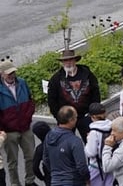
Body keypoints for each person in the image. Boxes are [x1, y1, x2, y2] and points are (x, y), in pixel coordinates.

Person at [47, 49, 101, 141]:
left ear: (75, 60)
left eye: (70, 60)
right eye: (65, 61)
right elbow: (52, 100)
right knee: (66, 143)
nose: (68, 63)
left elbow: (95, 92)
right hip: (66, 118)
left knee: (92, 141)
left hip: (85, 115)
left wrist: (93, 111)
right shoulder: (56, 79)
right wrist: (59, 117)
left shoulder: (87, 74)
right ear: (62, 62)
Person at [0, 58, 36, 186]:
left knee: (31, 156)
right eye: (9, 73)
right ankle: (15, 184)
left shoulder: (22, 82)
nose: (12, 75)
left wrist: (28, 116)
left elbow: (30, 100)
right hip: (9, 132)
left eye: (13, 72)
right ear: (2, 74)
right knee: (12, 161)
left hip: (25, 128)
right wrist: (3, 129)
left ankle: (30, 181)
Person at [43, 106, 89, 186]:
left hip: (55, 181)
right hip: (74, 181)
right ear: (71, 120)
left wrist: (55, 173)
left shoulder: (49, 136)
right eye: (75, 117)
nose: (76, 120)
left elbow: (46, 159)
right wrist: (87, 179)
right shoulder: (74, 140)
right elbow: (81, 166)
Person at [85, 103, 114, 186]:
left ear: (93, 116)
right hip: (110, 163)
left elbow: (91, 152)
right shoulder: (112, 126)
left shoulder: (94, 132)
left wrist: (88, 140)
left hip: (96, 166)